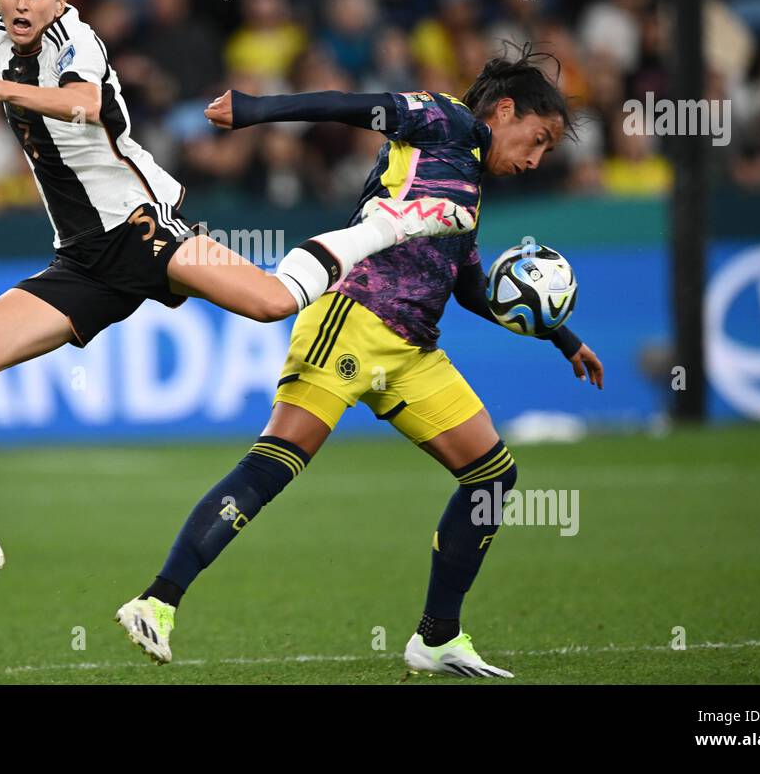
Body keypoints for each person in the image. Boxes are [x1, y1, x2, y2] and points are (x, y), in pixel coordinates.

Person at [0, 0, 475, 583]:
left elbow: (83, 104)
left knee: (267, 302)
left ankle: (393, 223)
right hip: (84, 257)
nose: (21, 4)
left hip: (140, 228)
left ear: (60, 0)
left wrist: (8, 94)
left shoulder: (78, 40)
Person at [116, 49, 605, 678]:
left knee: (490, 478)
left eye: (547, 151)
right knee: (274, 463)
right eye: (538, 140)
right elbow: (351, 106)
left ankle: (437, 638)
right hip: (351, 319)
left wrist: (560, 336)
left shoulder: (467, 181)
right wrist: (255, 111)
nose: (536, 159)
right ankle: (157, 601)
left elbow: (467, 285)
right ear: (505, 109)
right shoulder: (443, 120)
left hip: (412, 349)